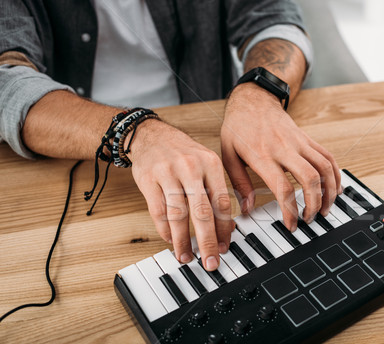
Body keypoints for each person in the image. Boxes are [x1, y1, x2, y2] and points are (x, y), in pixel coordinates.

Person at [0, 0, 341, 271]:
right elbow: (7, 80)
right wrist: (139, 134)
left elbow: (274, 19)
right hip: (77, 160)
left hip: (212, 133)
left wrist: (259, 94)